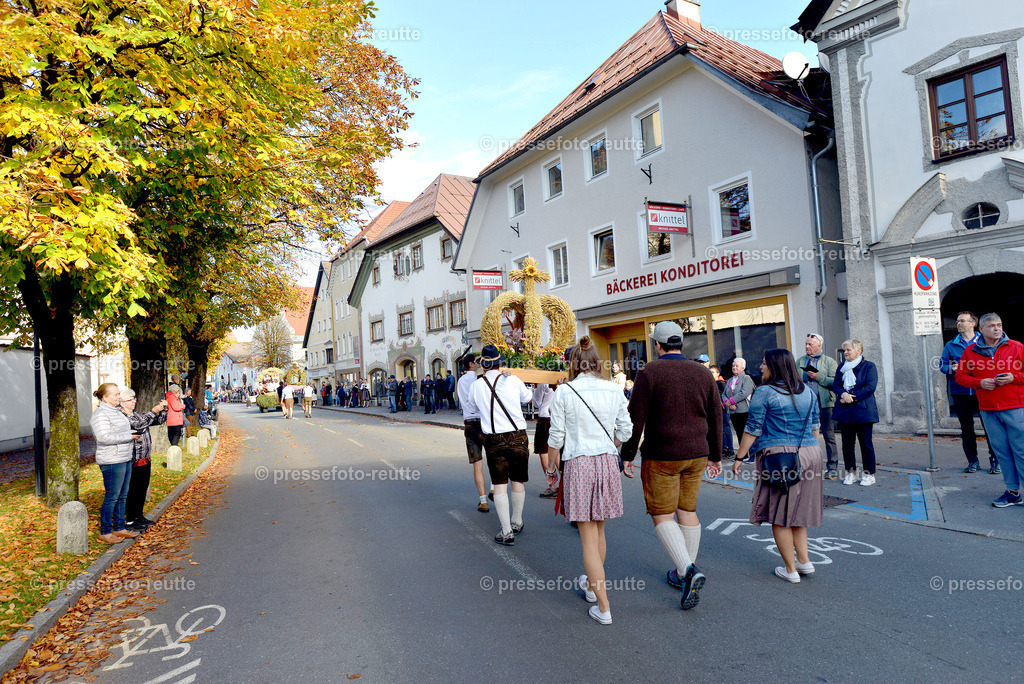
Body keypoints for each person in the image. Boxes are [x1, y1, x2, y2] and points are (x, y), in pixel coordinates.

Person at [621, 321, 723, 611]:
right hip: (697, 453)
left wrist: (628, 454)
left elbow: (635, 418)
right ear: (680, 344)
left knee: (662, 513)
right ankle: (683, 572)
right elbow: (717, 416)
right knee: (687, 509)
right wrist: (716, 455)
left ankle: (687, 571)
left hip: (662, 453)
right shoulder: (702, 373)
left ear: (658, 345)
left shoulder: (649, 372)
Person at [546, 337, 632, 625]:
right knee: (599, 531)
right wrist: (611, 444)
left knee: (587, 539)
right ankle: (594, 591)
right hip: (607, 461)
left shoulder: (565, 392)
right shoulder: (613, 389)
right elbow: (627, 430)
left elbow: (556, 437)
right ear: (597, 361)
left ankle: (604, 607)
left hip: (579, 462)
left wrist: (551, 469)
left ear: (572, 363)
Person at [732, 350, 824, 582]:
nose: (761, 367)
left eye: (764, 363)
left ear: (775, 366)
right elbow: (815, 428)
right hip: (811, 453)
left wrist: (739, 457)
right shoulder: (808, 391)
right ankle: (805, 562)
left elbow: (752, 428)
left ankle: (790, 570)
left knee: (780, 514)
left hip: (780, 457)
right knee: (799, 513)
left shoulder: (764, 392)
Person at [464, 345, 533, 546]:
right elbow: (528, 399)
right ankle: (517, 522)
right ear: (500, 361)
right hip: (518, 436)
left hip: (494, 439)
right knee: (518, 480)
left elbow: (471, 407)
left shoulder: (477, 385)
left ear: (483, 365)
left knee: (500, 484)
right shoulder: (512, 379)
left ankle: (506, 531)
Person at [956, 313, 1024, 507]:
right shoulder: (970, 351)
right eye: (992, 326)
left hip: (1016, 407)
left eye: (999, 325)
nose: (997, 328)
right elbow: (960, 376)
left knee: (1021, 450)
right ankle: (1012, 492)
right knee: (1002, 451)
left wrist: (1014, 378)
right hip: (988, 409)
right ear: (981, 330)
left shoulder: (1016, 347)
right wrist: (979, 383)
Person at [941, 312, 994, 473]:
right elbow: (942, 366)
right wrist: (952, 368)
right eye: (957, 321)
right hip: (960, 392)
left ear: (973, 323)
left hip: (983, 391)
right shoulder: (951, 344)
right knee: (967, 429)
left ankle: (995, 461)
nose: (958, 323)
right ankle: (973, 461)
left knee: (990, 428)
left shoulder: (985, 341)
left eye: (962, 321)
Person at [91, 383, 141, 544]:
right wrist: (129, 436)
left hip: (124, 458)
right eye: (115, 394)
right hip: (112, 460)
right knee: (112, 496)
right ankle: (105, 531)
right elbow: (103, 437)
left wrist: (130, 434)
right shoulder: (100, 415)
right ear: (104, 397)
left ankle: (119, 528)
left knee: (122, 495)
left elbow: (119, 432)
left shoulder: (117, 412)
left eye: (119, 393)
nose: (118, 397)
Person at [831, 339, 879, 486]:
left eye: (848, 350)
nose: (845, 352)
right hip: (845, 411)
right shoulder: (841, 367)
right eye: (844, 350)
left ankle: (869, 474)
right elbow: (836, 385)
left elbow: (870, 387)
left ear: (858, 351)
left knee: (866, 444)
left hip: (863, 411)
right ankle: (850, 472)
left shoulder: (869, 366)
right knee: (847, 444)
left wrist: (851, 397)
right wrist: (843, 395)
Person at [120, 389, 167, 531]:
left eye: (134, 399)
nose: (133, 401)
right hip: (133, 458)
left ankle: (139, 516)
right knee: (132, 490)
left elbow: (158, 421)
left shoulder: (139, 414)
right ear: (121, 403)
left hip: (145, 457)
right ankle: (130, 519)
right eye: (130, 400)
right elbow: (139, 425)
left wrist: (164, 410)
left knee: (142, 488)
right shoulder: (122, 417)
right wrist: (154, 410)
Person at [797, 333, 839, 479]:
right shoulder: (800, 361)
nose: (807, 346)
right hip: (805, 405)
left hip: (824, 403)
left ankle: (832, 467)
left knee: (828, 435)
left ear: (819, 346)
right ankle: (809, 466)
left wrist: (818, 377)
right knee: (806, 435)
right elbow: (794, 380)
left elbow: (836, 382)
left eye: (810, 344)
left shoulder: (829, 361)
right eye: (806, 344)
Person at [458, 355, 490, 512]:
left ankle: (483, 500)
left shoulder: (461, 380)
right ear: (471, 364)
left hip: (469, 422)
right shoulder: (481, 379)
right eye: (478, 361)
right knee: (493, 458)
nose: (481, 363)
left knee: (477, 463)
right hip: (484, 421)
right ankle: (494, 489)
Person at [723, 358, 756, 451]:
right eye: (733, 365)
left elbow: (744, 392)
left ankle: (751, 454)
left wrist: (731, 401)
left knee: (747, 434)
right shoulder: (730, 380)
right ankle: (743, 454)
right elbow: (724, 394)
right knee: (738, 433)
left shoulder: (746, 378)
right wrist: (728, 403)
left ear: (743, 367)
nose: (734, 367)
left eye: (737, 366)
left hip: (744, 411)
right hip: (733, 412)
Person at [532, 382, 557, 498]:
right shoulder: (562, 381)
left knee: (544, 453)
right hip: (558, 419)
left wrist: (536, 387)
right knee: (557, 453)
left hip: (545, 419)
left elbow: (536, 403)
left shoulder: (542, 383)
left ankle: (552, 486)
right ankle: (564, 486)